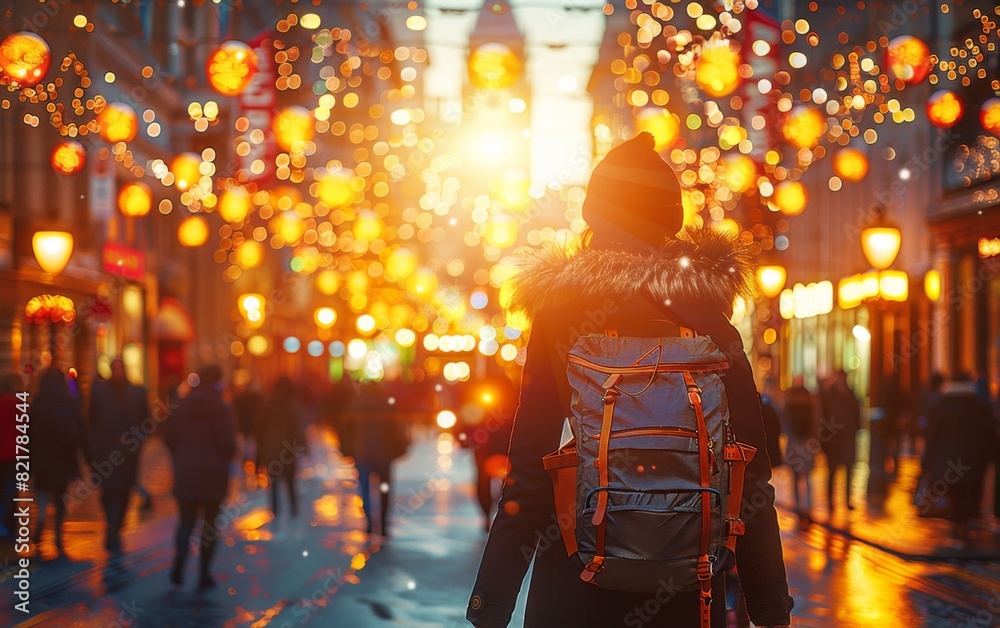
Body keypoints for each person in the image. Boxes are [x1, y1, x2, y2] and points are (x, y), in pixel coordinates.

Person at [466, 133, 792, 628]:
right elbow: (750, 471)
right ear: (670, 218)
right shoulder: (709, 314)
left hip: (576, 574)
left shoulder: (562, 314)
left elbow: (529, 472)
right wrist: (770, 607)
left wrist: (490, 603)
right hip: (686, 586)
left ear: (597, 215)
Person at [164, 365, 236, 588]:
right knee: (210, 525)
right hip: (213, 475)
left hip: (186, 471)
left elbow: (168, 435)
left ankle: (179, 563)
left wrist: (180, 456)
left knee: (185, 522)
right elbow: (228, 443)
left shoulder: (181, 404)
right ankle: (204, 573)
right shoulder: (222, 408)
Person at [920, 374, 997, 544]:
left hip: (947, 463)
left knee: (954, 494)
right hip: (973, 462)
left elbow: (931, 437)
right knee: (968, 494)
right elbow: (989, 436)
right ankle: (964, 526)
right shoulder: (980, 409)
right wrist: (991, 456)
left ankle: (956, 527)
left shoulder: (940, 408)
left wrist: (927, 461)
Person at [87, 358, 150, 552]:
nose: (118, 372)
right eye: (115, 368)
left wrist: (137, 440)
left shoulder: (137, 393)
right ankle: (111, 525)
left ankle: (116, 526)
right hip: (105, 450)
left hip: (128, 452)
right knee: (107, 491)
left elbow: (146, 420)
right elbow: (91, 419)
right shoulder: (99, 392)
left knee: (124, 490)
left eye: (120, 368)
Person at [340, 381, 410, 536]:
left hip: (362, 454)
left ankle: (369, 522)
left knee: (364, 488)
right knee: (384, 490)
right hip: (384, 455)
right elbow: (396, 429)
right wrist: (401, 447)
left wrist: (346, 450)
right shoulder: (386, 405)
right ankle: (383, 523)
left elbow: (346, 431)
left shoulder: (355, 405)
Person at [31, 368, 86, 553]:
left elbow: (28, 433)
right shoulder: (69, 404)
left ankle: (40, 519)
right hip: (63, 458)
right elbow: (81, 432)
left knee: (42, 492)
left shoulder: (38, 403)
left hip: (42, 458)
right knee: (61, 496)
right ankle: (57, 534)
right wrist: (88, 458)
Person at [458, 373, 517, 531]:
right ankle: (489, 515)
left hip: (497, 441)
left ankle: (499, 513)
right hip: (487, 442)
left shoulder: (502, 385)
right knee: (487, 480)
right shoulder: (479, 386)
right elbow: (468, 413)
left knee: (499, 479)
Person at [255, 376, 304, 517]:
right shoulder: (293, 405)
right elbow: (297, 429)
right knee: (289, 480)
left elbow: (260, 429)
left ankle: (275, 509)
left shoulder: (267, 403)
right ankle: (293, 508)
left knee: (274, 480)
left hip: (271, 447)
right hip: (287, 448)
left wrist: (260, 453)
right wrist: (300, 446)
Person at [819, 370, 861, 512]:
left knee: (849, 471)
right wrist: (824, 439)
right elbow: (823, 417)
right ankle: (831, 502)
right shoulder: (829, 395)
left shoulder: (850, 394)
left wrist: (856, 429)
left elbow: (857, 415)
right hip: (834, 441)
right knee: (832, 472)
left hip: (848, 439)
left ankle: (847, 500)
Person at [783, 377, 817, 521]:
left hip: (794, 442)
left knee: (795, 476)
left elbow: (785, 422)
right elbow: (816, 421)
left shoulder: (789, 401)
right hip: (807, 442)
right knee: (808, 477)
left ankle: (798, 506)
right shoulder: (810, 401)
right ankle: (808, 506)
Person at [0, 373, 23, 537]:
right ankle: (11, 525)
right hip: (15, 454)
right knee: (13, 491)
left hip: (3, 454)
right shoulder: (18, 404)